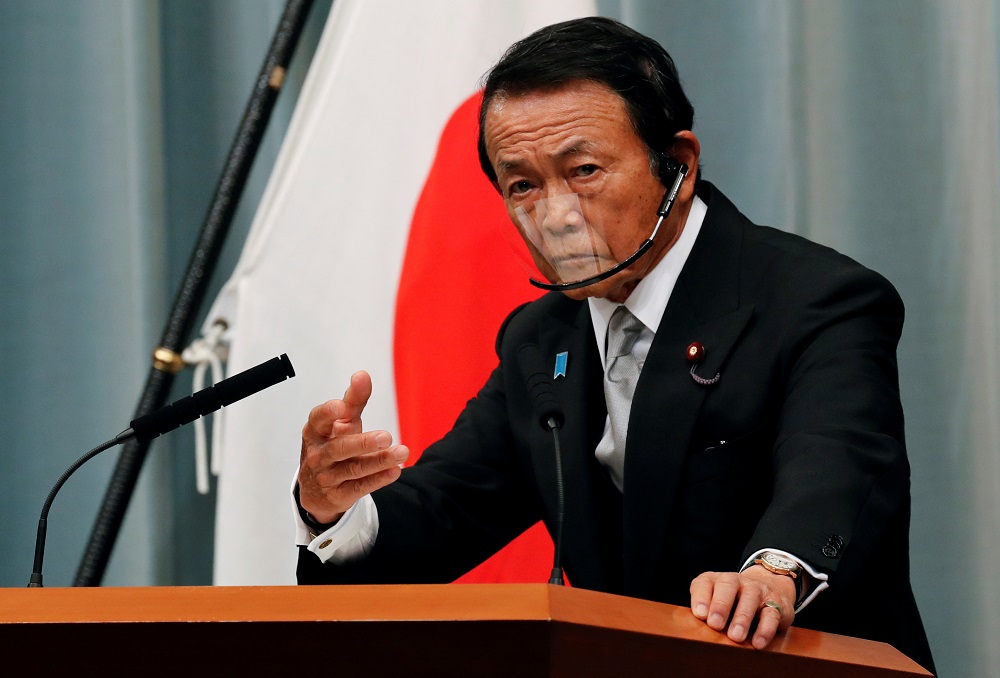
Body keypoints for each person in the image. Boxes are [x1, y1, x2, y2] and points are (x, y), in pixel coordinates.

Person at [295, 17, 934, 672]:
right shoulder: (539, 340)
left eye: (585, 171)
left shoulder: (819, 298)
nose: (556, 214)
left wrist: (771, 574)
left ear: (677, 166)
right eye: (523, 186)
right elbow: (447, 508)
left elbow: (834, 463)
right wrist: (332, 511)